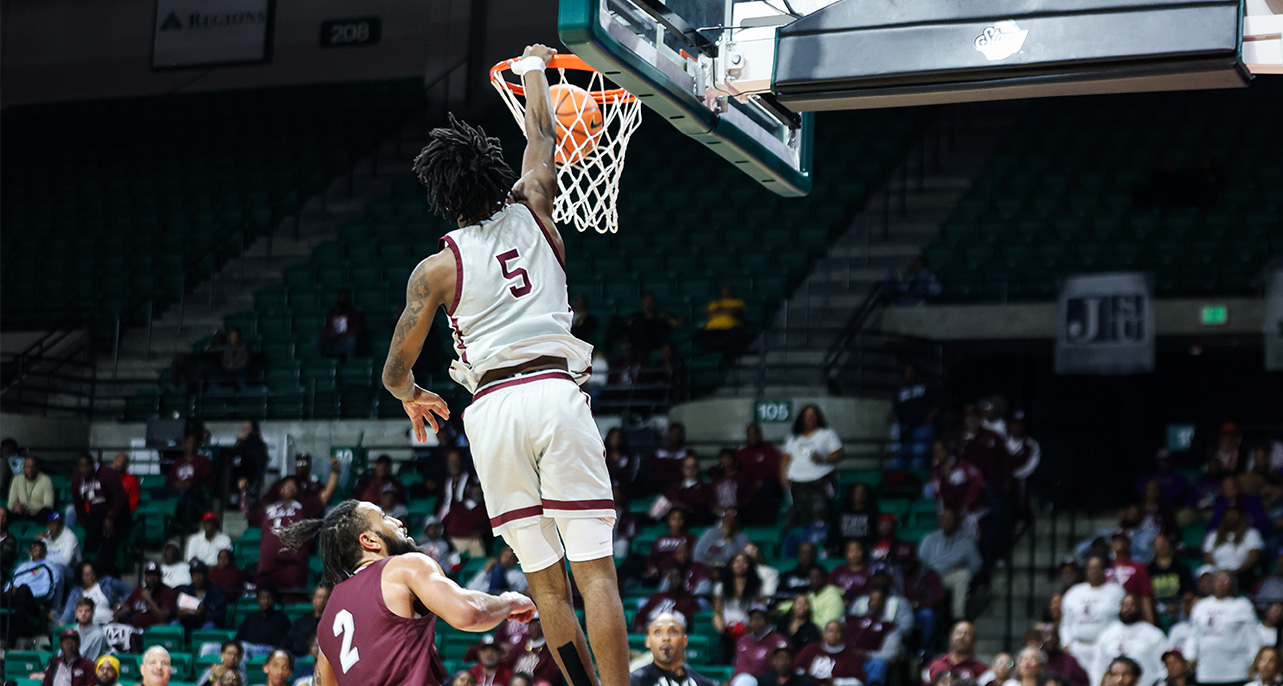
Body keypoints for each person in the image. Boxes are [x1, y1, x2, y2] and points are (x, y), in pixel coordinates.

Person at [385, 43, 628, 686]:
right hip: (553, 389)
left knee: (549, 589)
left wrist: (412, 395)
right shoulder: (536, 202)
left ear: (441, 194)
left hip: (490, 411)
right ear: (494, 176)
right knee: (596, 570)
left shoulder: (435, 269)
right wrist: (533, 73)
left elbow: (394, 371)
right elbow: (543, 135)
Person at [277, 499, 535, 686]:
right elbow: (469, 613)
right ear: (370, 540)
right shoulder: (403, 566)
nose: (398, 521)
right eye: (384, 517)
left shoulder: (328, 618)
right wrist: (509, 601)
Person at [248, 475, 329, 593]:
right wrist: (244, 492)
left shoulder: (304, 507)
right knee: (263, 597)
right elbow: (247, 513)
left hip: (293, 565)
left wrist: (335, 473)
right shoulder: (268, 508)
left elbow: (324, 497)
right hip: (267, 566)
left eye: (294, 486)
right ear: (281, 489)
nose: (291, 488)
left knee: (293, 599)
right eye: (288, 486)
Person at [1185, 570, 1262, 686]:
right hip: (1206, 673)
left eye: (1224, 580)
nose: (1220, 583)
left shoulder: (1242, 605)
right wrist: (1190, 656)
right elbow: (1193, 635)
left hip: (1235, 672)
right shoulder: (1201, 606)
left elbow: (1253, 639)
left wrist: (1254, 664)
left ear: (1233, 584)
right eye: (1217, 579)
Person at [1061, 555, 1126, 669]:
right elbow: (1066, 622)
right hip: (1077, 648)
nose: (1093, 571)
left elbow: (1122, 620)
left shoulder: (1116, 592)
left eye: (1097, 568)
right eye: (1090, 568)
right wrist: (1065, 643)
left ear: (1104, 570)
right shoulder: (1074, 592)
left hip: (1105, 648)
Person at [782, 405, 843, 525]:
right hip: (797, 482)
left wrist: (823, 459)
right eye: (807, 415)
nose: (810, 418)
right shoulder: (793, 438)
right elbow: (785, 460)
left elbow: (839, 453)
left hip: (819, 481)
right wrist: (783, 480)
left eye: (813, 414)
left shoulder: (827, 433)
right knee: (800, 516)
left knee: (820, 516)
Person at [918, 508, 982, 621]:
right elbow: (920, 560)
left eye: (949, 518)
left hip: (948, 577)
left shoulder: (966, 541)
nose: (946, 521)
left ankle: (958, 617)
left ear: (956, 521)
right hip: (930, 577)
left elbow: (976, 565)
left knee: (964, 575)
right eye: (943, 518)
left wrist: (963, 568)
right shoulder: (930, 538)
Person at [1089, 594, 1166, 686]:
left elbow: (1163, 668)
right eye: (1124, 605)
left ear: (1139, 608)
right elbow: (1098, 665)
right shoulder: (1108, 633)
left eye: (1131, 605)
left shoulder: (1153, 634)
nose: (1127, 609)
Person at [71, 453, 127, 575]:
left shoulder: (107, 474)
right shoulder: (77, 481)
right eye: (82, 467)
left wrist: (111, 518)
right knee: (89, 543)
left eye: (87, 466)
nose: (85, 470)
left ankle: (109, 573)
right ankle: (87, 573)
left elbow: (121, 498)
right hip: (96, 514)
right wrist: (86, 525)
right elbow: (78, 506)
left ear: (92, 465)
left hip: (116, 513)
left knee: (109, 540)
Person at [630, 613, 718, 686]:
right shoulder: (633, 682)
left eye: (673, 632)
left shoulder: (703, 683)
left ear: (685, 640)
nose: (666, 638)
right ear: (648, 641)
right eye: (658, 632)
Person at [891, 362, 939, 470]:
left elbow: (937, 404)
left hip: (922, 428)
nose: (908, 374)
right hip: (905, 430)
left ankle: (916, 484)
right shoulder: (901, 389)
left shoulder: (925, 385)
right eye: (906, 371)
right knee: (897, 461)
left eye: (910, 371)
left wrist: (929, 419)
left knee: (918, 459)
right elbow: (896, 409)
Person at [168, 432, 215, 535]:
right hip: (177, 491)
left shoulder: (203, 461)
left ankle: (184, 525)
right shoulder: (178, 462)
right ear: (185, 445)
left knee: (187, 497)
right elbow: (170, 480)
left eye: (194, 443)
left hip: (196, 492)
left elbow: (205, 479)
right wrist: (176, 484)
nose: (191, 446)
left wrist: (191, 484)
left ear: (197, 445)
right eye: (189, 443)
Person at [794, 620, 866, 686]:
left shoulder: (851, 656)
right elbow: (797, 668)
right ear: (824, 634)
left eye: (837, 631)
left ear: (843, 634)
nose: (833, 634)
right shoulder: (811, 649)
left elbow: (858, 682)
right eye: (830, 631)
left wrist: (837, 682)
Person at [1204, 506, 1264, 585]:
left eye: (1234, 515)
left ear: (1242, 517)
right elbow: (1208, 557)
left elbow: (1252, 559)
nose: (1231, 518)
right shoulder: (1213, 535)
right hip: (1217, 574)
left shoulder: (1251, 533)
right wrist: (1220, 574)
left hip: (1242, 574)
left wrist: (1233, 574)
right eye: (1228, 515)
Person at [59, 560, 131, 625]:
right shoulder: (76, 592)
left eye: (92, 573)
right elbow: (69, 611)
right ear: (81, 577)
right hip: (88, 628)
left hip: (110, 624)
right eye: (87, 575)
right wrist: (62, 622)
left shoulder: (107, 582)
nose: (90, 577)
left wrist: (120, 605)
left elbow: (131, 591)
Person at [732, 607, 792, 684]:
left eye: (758, 618)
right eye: (752, 619)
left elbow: (785, 666)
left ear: (767, 620)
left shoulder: (778, 641)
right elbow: (736, 665)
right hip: (738, 679)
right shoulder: (743, 640)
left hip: (763, 681)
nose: (755, 622)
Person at [1107, 532, 1156, 625]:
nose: (1117, 543)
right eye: (1114, 541)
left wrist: (1150, 623)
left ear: (1128, 544)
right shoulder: (1105, 568)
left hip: (1133, 617)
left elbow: (1145, 596)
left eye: (1121, 540)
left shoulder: (1138, 567)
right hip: (1111, 618)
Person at [1148, 533, 1193, 628]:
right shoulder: (1148, 570)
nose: (1161, 546)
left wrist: (1178, 605)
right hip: (1157, 609)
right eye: (1158, 544)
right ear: (1153, 548)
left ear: (1169, 545)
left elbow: (1188, 592)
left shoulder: (1182, 568)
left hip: (1179, 609)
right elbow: (1146, 596)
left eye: (1163, 543)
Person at [115, 561, 177, 630]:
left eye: (155, 575)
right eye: (149, 575)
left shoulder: (168, 592)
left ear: (160, 577)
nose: (152, 578)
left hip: (154, 632)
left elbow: (162, 618)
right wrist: (117, 612)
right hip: (134, 629)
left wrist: (149, 599)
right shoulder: (138, 591)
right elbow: (124, 611)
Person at [636, 569, 700, 632]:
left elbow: (683, 623)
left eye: (676, 577)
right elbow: (641, 615)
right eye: (671, 578)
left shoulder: (689, 601)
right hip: (648, 633)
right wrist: (639, 626)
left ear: (683, 579)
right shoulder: (657, 597)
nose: (673, 580)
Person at [234, 586, 291, 658]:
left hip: (270, 651)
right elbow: (239, 637)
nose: (265, 601)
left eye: (269, 598)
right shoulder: (251, 617)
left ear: (274, 600)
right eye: (262, 598)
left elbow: (285, 640)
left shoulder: (281, 618)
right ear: (257, 600)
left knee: (244, 648)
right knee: (217, 647)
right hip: (250, 649)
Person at [280, 585, 329, 657]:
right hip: (299, 659)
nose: (322, 600)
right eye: (319, 597)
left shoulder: (333, 623)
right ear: (313, 600)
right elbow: (288, 642)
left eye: (325, 598)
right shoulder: (301, 622)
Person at [177, 560, 227, 631]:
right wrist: (180, 614)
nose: (197, 578)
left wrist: (204, 613)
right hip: (188, 623)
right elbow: (176, 611)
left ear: (206, 575)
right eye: (194, 574)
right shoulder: (185, 590)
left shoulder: (216, 591)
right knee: (174, 624)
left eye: (200, 574)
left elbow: (220, 616)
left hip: (206, 624)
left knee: (209, 626)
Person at [315, 289, 365, 359]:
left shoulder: (354, 314)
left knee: (351, 341)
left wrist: (344, 336)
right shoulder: (332, 313)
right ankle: (320, 365)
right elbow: (326, 329)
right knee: (317, 340)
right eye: (340, 297)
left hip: (345, 341)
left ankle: (351, 364)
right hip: (333, 342)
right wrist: (331, 334)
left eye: (344, 297)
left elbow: (357, 329)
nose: (342, 299)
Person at [226, 421, 268, 501]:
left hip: (250, 475)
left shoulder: (257, 443)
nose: (245, 430)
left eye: (247, 428)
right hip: (238, 474)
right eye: (244, 428)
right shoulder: (242, 442)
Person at [9, 455, 54, 522]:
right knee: (3, 513)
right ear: (23, 468)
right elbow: (10, 503)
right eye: (27, 467)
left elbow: (49, 505)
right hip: (20, 513)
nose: (30, 469)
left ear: (37, 468)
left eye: (33, 467)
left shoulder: (46, 480)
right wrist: (15, 507)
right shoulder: (17, 479)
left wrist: (27, 507)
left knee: (45, 513)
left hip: (38, 514)